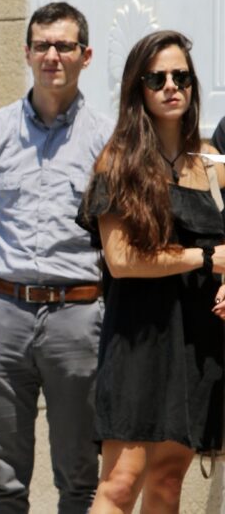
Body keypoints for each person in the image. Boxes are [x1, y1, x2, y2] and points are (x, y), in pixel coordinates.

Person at [0, 2, 113, 513]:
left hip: (78, 318)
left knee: (80, 477)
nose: (52, 56)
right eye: (42, 45)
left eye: (64, 46)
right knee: (3, 480)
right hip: (4, 314)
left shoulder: (107, 139)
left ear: (85, 56)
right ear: (26, 53)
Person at [79, 30, 225, 513]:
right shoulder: (118, 162)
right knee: (120, 484)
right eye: (156, 78)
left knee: (167, 482)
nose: (170, 87)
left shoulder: (212, 165)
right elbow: (121, 261)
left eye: (181, 76)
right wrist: (204, 257)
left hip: (198, 337)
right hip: (138, 336)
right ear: (136, 88)